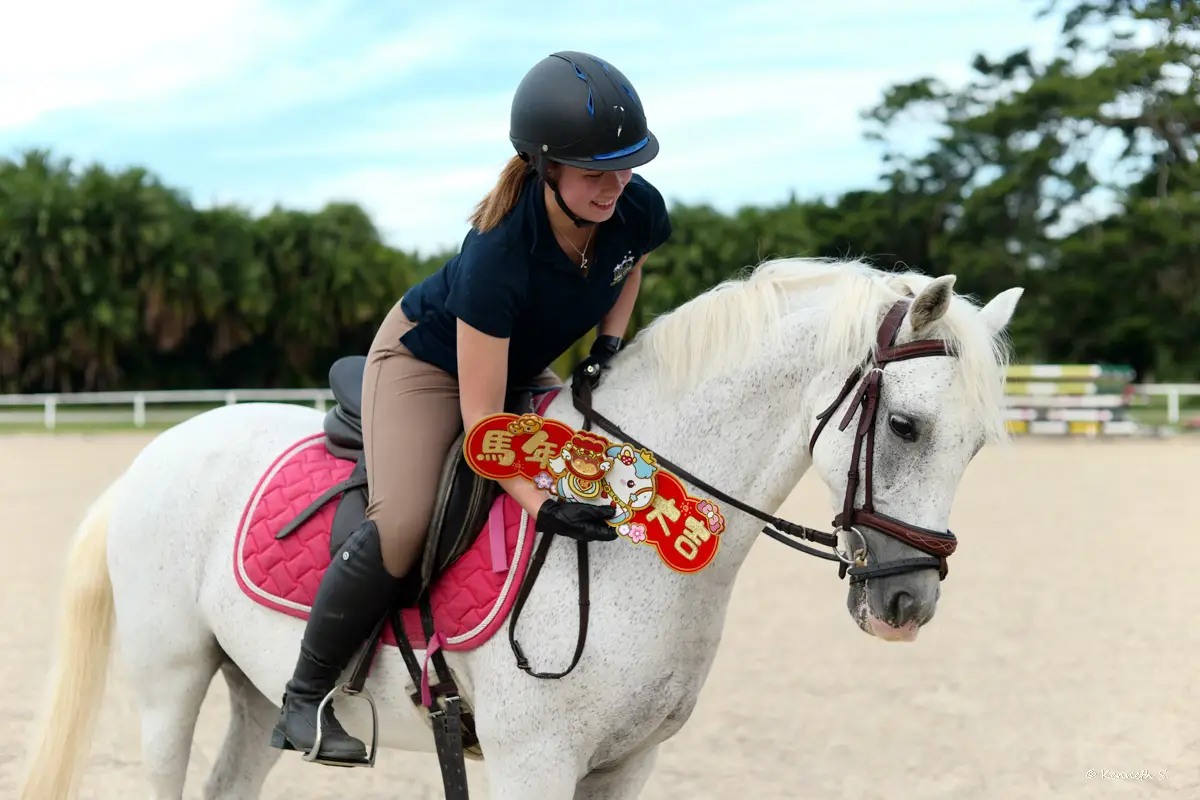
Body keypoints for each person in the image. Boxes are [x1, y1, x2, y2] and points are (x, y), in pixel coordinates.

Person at [268, 49, 674, 766]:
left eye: (626, 167)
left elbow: (630, 262)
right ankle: (304, 697)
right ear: (545, 167)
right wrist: (542, 505)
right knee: (403, 524)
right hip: (427, 365)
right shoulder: (496, 255)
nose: (616, 185)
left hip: (512, 357)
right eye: (595, 172)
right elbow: (486, 428)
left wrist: (608, 346)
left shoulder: (633, 205)